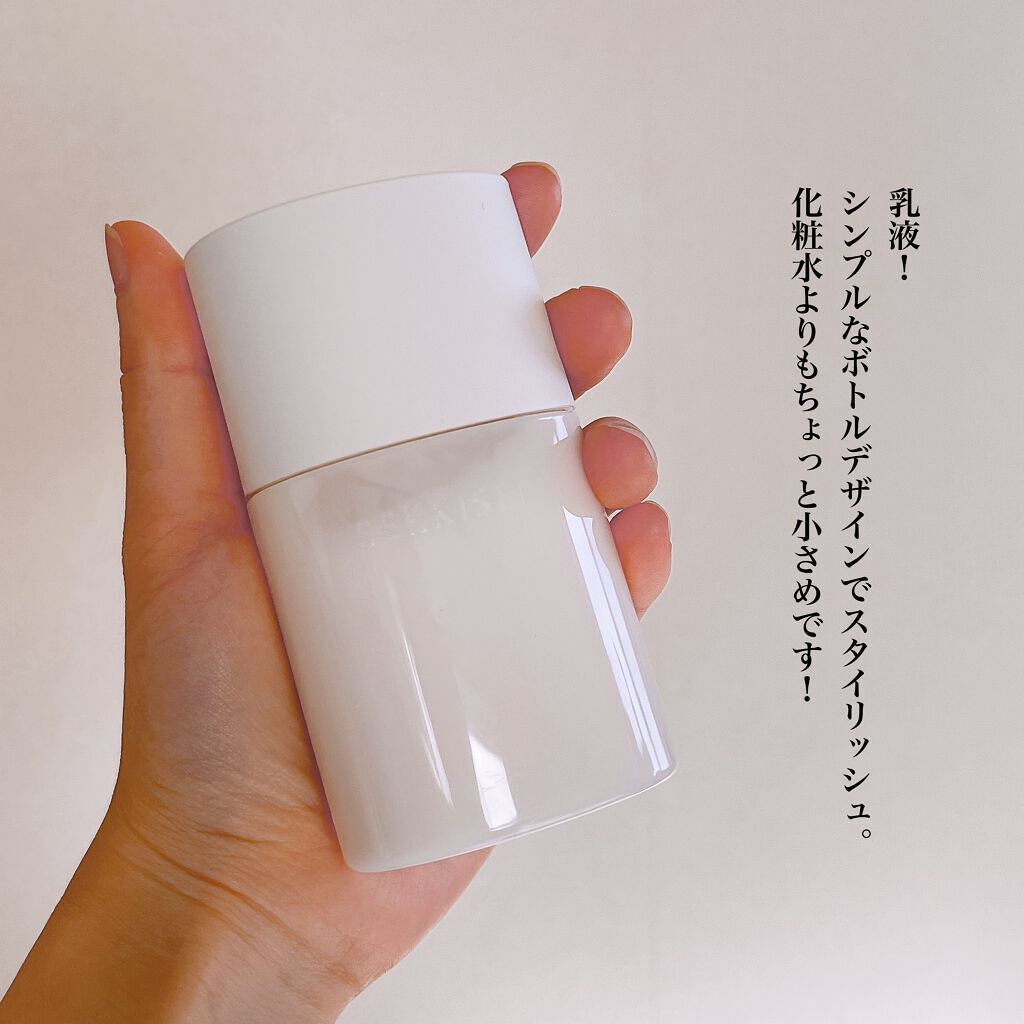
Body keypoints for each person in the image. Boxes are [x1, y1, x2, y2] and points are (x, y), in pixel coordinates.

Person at [0, 161, 671, 1022]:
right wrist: (219, 889)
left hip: (476, 425)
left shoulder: (491, 402)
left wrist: (216, 902)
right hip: (355, 457)